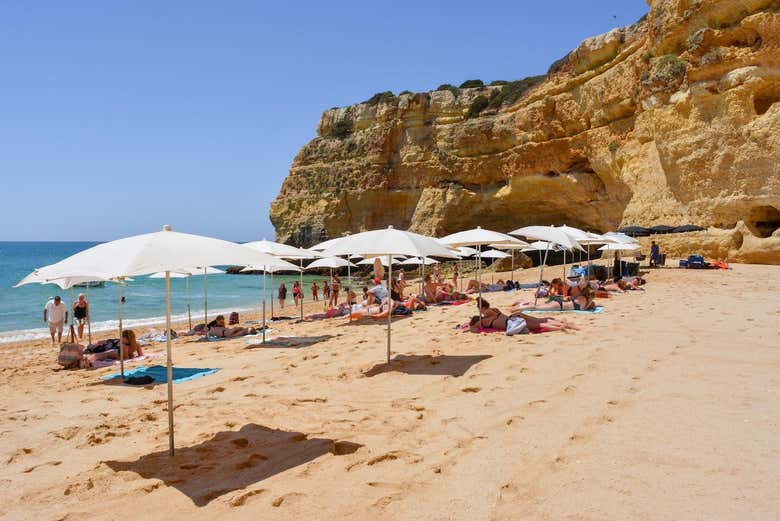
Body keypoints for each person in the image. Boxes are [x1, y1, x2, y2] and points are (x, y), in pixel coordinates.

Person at [469, 298, 578, 333]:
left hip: (512, 322)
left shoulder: (484, 320)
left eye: (479, 309)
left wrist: (468, 327)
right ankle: (563, 323)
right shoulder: (494, 310)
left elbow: (474, 329)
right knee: (539, 321)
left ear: (483, 308)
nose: (480, 312)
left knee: (538, 326)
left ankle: (560, 327)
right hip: (515, 316)